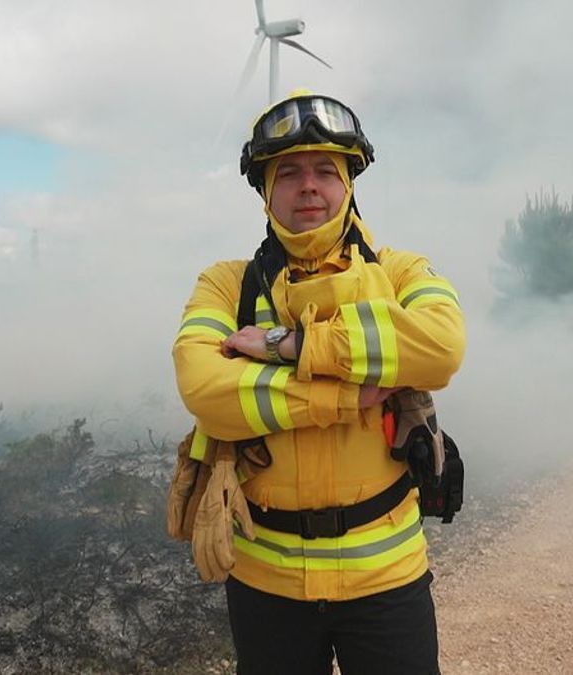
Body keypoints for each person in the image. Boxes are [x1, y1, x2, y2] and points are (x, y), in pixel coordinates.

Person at [172, 89, 465, 675]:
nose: (309, 186)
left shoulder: (400, 270)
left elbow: (441, 346)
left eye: (325, 171)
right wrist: (342, 394)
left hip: (387, 580)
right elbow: (205, 390)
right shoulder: (225, 285)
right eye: (290, 173)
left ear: (349, 184)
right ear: (265, 191)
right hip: (265, 584)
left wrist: (291, 345)